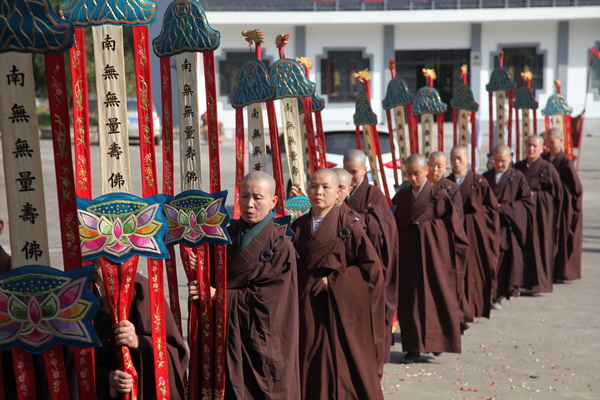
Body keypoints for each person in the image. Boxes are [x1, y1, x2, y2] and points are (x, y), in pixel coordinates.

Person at [190, 171, 300, 400]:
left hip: (261, 339)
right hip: (226, 334)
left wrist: (218, 296)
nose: (249, 205)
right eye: (244, 196)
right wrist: (200, 265)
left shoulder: (281, 246)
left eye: (258, 198)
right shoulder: (226, 235)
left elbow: (269, 300)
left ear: (273, 201)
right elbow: (215, 275)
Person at [292, 169, 384, 399]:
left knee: (333, 366)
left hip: (334, 310)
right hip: (303, 307)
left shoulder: (349, 225)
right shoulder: (297, 227)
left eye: (326, 187)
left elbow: (371, 270)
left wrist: (334, 281)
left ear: (337, 194)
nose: (318, 192)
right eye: (313, 186)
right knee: (306, 363)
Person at [392, 154, 468, 363]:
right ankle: (413, 347)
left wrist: (424, 228)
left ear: (426, 171)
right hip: (409, 257)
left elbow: (453, 228)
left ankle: (437, 343)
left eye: (416, 173)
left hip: (435, 256)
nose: (413, 177)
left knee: (436, 296)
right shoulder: (400, 197)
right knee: (410, 302)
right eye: (408, 174)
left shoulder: (439, 195)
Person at [94, 264, 188, 400]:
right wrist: (106, 378)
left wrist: (138, 342)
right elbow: (68, 356)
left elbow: (175, 351)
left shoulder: (142, 289)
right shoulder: (76, 292)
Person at [343, 149, 398, 368]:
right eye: (346, 171)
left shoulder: (374, 194)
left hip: (370, 262)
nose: (349, 176)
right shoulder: (341, 191)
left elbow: (385, 228)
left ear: (365, 171)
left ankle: (373, 362)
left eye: (354, 172)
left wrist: (356, 219)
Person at [448, 146, 500, 320]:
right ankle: (458, 309)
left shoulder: (479, 181)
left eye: (459, 159)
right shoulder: (447, 183)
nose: (456, 162)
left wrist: (474, 215)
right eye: (453, 159)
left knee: (473, 272)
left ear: (468, 159)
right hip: (452, 234)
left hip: (473, 233)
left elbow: (491, 209)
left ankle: (473, 308)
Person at [482, 145, 535, 309]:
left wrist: (505, 208)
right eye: (496, 161)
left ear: (510, 159)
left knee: (504, 263)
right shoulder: (485, 177)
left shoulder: (517, 177)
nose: (499, 164)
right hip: (489, 226)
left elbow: (527, 202)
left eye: (503, 161)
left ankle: (498, 295)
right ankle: (486, 296)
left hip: (507, 226)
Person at [514, 135, 563, 294]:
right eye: (529, 145)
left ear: (542, 148)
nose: (531, 149)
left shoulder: (547, 168)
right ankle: (519, 282)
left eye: (535, 146)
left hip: (541, 216)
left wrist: (537, 196)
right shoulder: (518, 167)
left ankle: (539, 284)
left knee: (540, 246)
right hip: (522, 214)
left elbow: (557, 194)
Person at [542, 128, 583, 282]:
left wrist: (558, 187)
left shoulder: (565, 161)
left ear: (560, 141)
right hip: (548, 205)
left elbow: (576, 187)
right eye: (547, 142)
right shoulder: (545, 158)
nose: (549, 145)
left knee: (562, 238)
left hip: (564, 207)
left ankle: (562, 271)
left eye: (552, 142)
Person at [427, 151, 464, 221]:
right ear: (427, 165)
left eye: (439, 166)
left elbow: (457, 216)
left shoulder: (451, 188)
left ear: (445, 169)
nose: (435, 169)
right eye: (432, 165)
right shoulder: (421, 185)